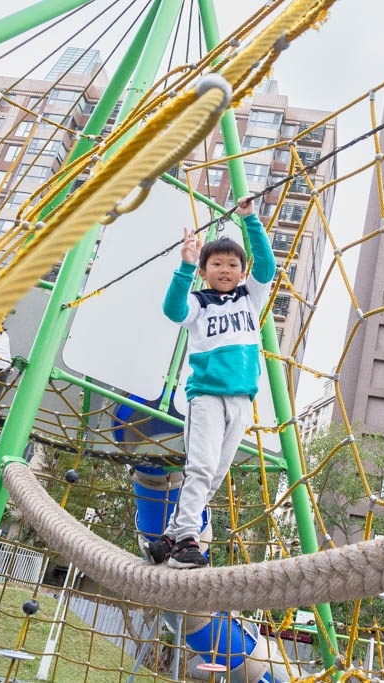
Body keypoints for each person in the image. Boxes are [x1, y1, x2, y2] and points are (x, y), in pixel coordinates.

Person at [148, 197, 274, 569]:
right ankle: (187, 541)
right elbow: (173, 310)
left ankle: (170, 537)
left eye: (233, 264)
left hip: (241, 400)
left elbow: (266, 265)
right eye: (216, 264)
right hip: (206, 397)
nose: (225, 269)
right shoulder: (199, 303)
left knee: (215, 475)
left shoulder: (251, 298)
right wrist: (186, 265)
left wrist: (250, 219)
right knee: (200, 466)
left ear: (241, 271)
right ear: (205, 271)